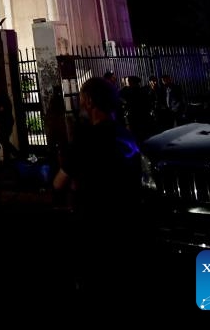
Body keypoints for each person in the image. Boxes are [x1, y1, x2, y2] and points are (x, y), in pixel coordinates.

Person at [53, 76, 143, 294]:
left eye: (82, 99)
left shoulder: (86, 140)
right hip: (127, 222)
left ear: (90, 102)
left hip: (93, 223)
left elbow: (59, 182)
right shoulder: (128, 137)